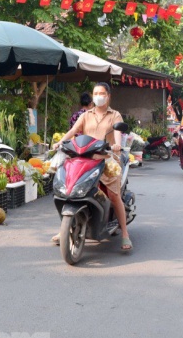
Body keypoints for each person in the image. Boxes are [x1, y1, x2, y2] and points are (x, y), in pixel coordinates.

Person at [52, 82, 132, 252]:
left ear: (108, 96)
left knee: (113, 195)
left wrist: (117, 145)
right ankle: (65, 229)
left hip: (107, 160)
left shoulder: (115, 115)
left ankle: (125, 233)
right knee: (70, 189)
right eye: (95, 93)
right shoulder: (86, 115)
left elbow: (118, 133)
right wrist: (60, 142)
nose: (98, 96)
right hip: (85, 158)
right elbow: (73, 130)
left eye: (102, 93)